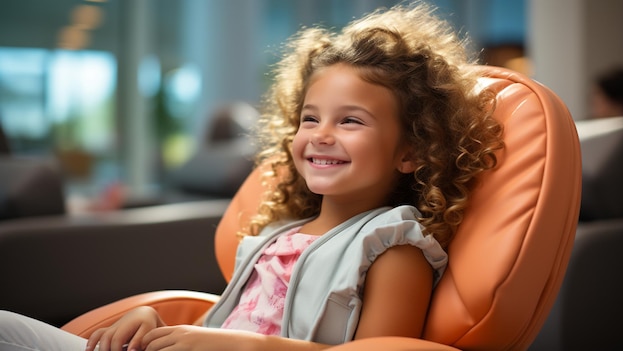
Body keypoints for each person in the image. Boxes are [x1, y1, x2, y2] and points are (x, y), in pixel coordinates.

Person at [0, 2, 503, 350]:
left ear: (411, 152)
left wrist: (248, 347)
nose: (321, 134)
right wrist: (157, 326)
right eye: (310, 118)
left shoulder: (393, 247)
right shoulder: (274, 238)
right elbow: (217, 328)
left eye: (350, 120)